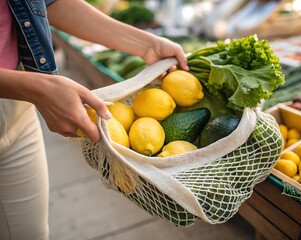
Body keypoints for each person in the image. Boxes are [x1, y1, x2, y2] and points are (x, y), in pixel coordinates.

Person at [0, 0, 188, 239]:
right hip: (24, 91)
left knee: (30, 234)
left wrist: (145, 44)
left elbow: (49, 2)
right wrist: (39, 88)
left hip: (18, 109)